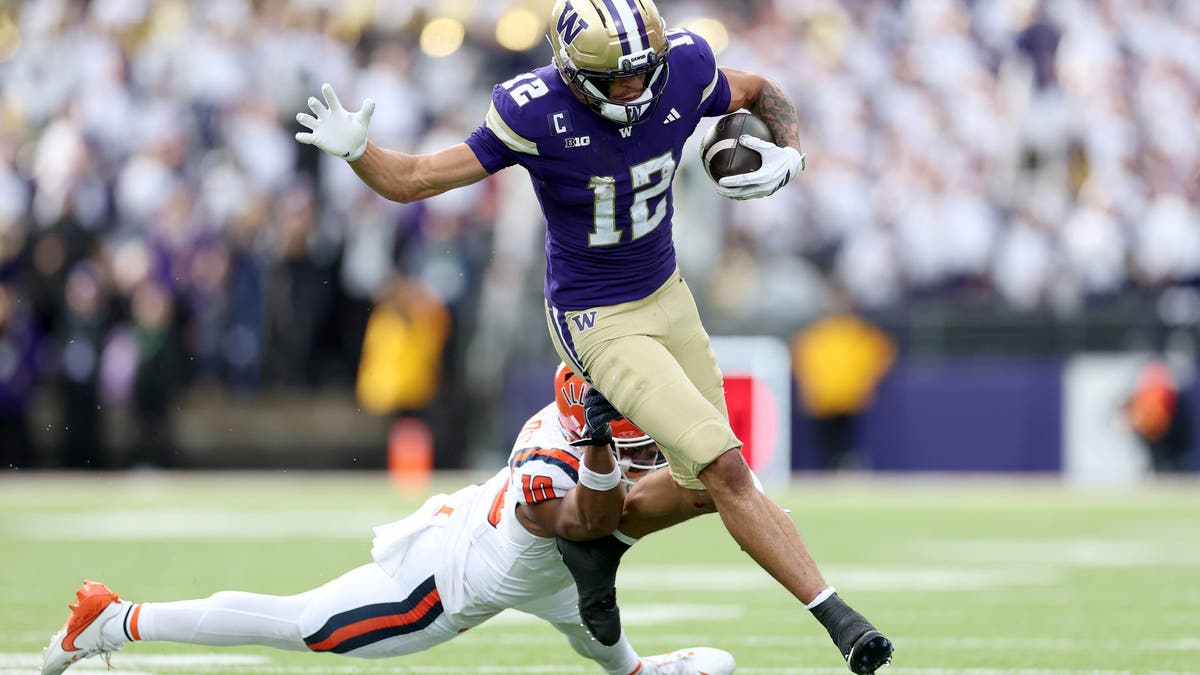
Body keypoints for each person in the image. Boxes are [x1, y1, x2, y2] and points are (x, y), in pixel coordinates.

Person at [294, 1, 892, 672]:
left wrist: (789, 148)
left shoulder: (684, 66)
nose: (637, 89)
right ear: (574, 74)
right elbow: (415, 180)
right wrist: (357, 152)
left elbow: (758, 90)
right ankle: (841, 620)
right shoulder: (533, 110)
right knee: (727, 467)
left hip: (668, 291)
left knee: (702, 485)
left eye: (645, 74)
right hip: (595, 315)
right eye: (619, 80)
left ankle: (596, 544)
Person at [41, 364, 735, 675]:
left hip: (530, 558)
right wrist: (707, 484)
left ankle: (635, 669)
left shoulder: (582, 434)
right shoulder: (552, 462)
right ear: (588, 419)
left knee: (589, 623)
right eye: (623, 420)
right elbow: (598, 519)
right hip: (451, 579)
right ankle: (113, 617)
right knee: (302, 624)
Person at [792, 286, 896, 470]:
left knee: (847, 446)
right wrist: (809, 386)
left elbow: (882, 355)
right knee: (826, 447)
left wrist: (867, 383)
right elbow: (800, 360)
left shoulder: (861, 333)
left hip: (850, 400)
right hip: (823, 401)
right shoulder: (816, 334)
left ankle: (846, 471)